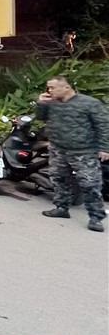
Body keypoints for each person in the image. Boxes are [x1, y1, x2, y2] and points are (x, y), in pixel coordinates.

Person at [37, 76, 109, 232]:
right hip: (58, 149)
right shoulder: (52, 103)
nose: (49, 90)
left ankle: (96, 217)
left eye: (52, 88)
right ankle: (61, 208)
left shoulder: (90, 103)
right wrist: (41, 103)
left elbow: (103, 126)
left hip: (83, 151)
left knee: (90, 185)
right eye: (48, 88)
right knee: (59, 180)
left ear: (66, 88)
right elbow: (41, 117)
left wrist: (105, 148)